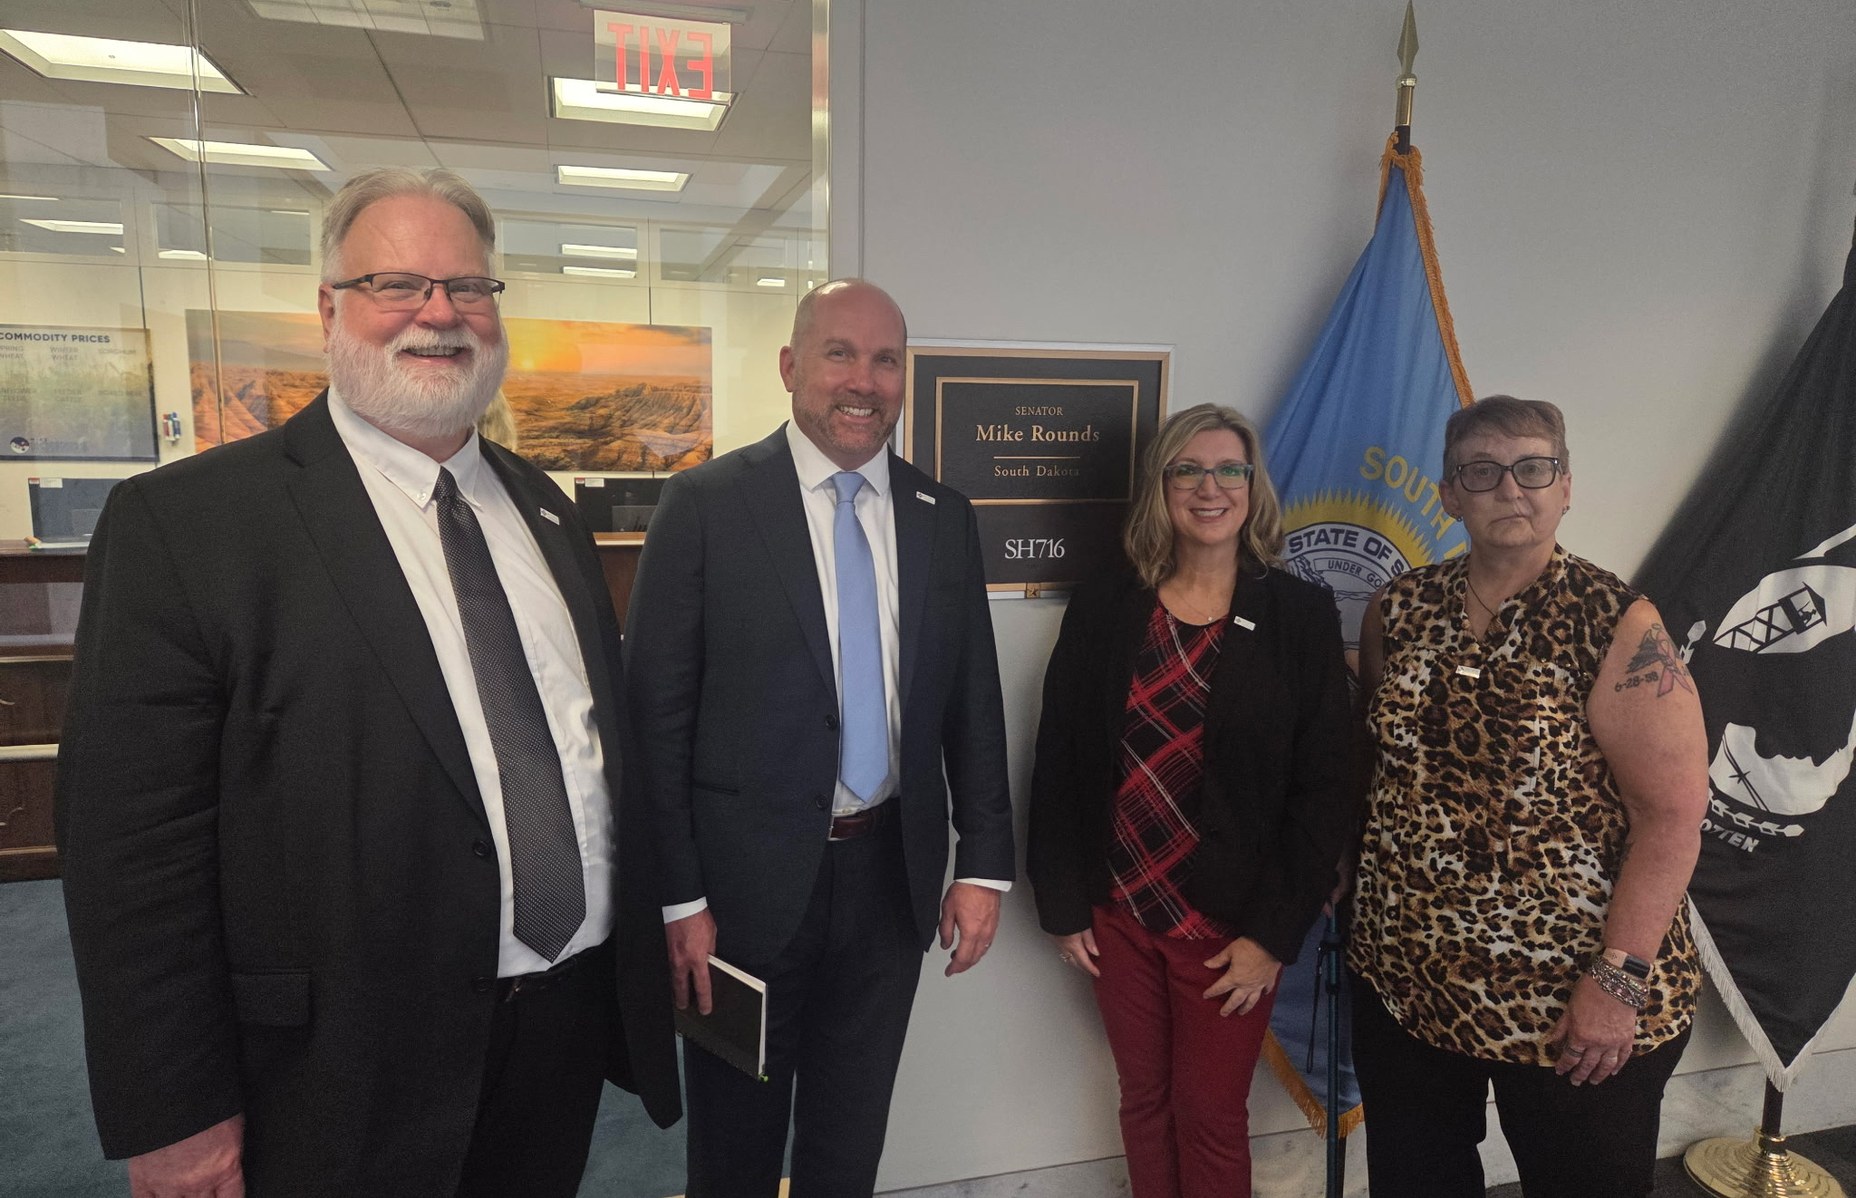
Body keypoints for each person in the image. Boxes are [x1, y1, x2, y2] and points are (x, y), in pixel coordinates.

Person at [55, 167, 680, 1198]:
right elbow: (131, 857)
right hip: (336, 1067)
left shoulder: (546, 510)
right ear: (328, 310)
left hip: (554, 1030)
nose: (439, 313)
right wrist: (174, 1112)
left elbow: (578, 747)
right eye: (398, 283)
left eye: (468, 288)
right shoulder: (190, 526)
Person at [622, 278, 1015, 1197]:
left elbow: (973, 702)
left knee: (850, 1141)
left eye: (885, 360)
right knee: (736, 1150)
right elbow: (658, 722)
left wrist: (983, 864)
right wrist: (677, 900)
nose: (864, 380)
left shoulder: (941, 517)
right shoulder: (706, 505)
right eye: (840, 353)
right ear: (793, 366)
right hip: (740, 897)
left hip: (890, 885)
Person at [1347, 395, 1708, 1198]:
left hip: (1569, 996)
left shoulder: (1620, 626)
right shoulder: (1398, 609)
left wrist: (1617, 983)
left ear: (1566, 486)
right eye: (1482, 472)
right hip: (1407, 979)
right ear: (1449, 493)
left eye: (1533, 468)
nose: (1511, 488)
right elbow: (1380, 768)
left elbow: (1674, 816)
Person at [1026, 403, 1356, 1198]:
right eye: (1188, 470)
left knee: (1209, 1113)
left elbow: (1326, 790)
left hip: (1230, 928)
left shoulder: (1299, 616)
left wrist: (1272, 939)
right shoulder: (1109, 601)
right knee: (1144, 1101)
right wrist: (1065, 902)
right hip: (1121, 915)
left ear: (1253, 486)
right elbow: (1061, 756)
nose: (1209, 488)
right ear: (1161, 486)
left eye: (1229, 470)